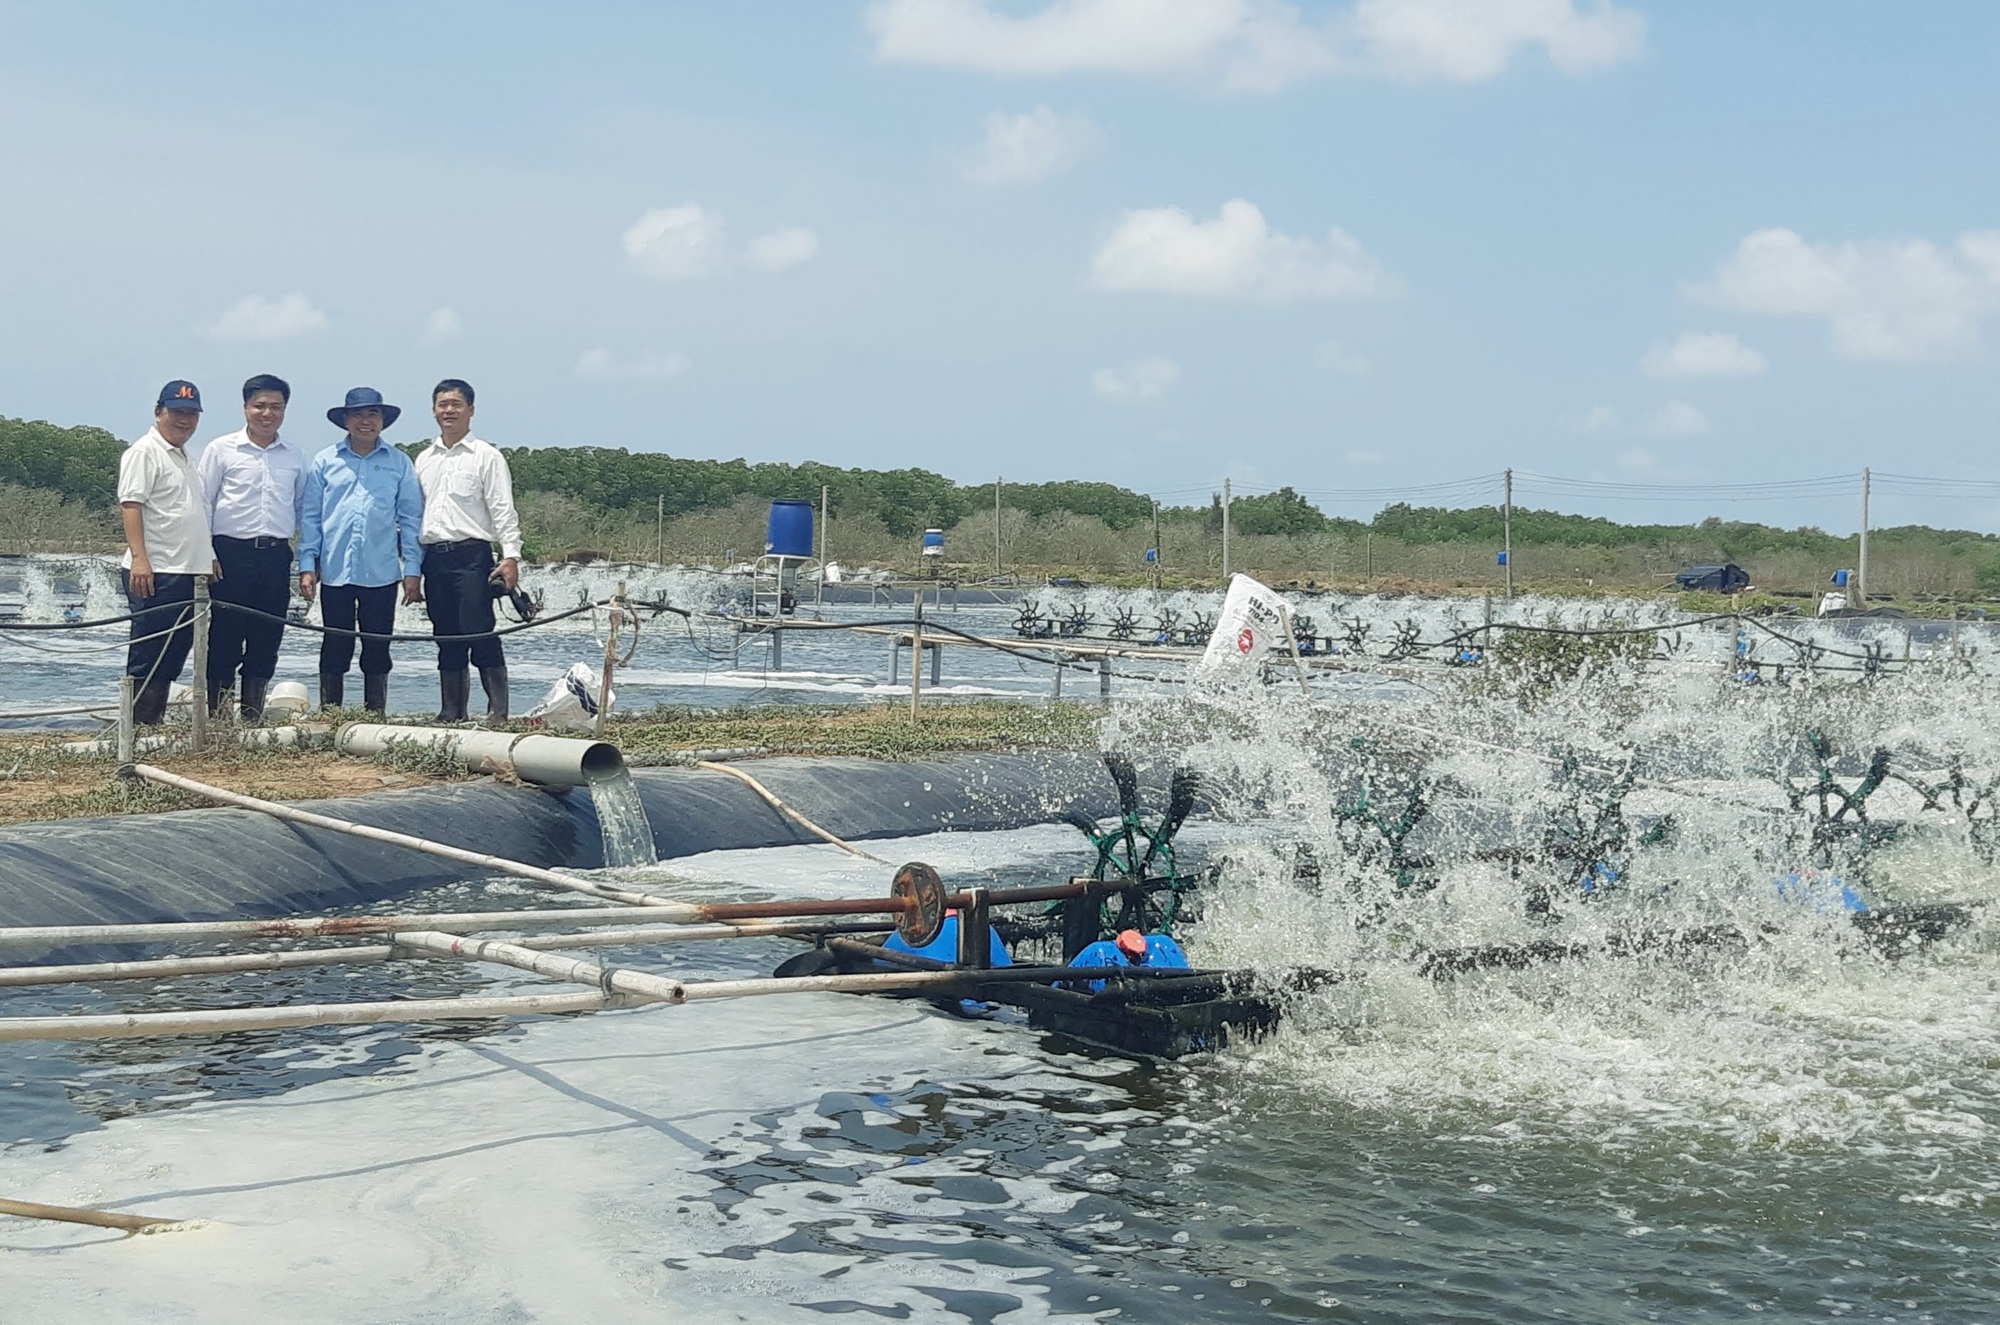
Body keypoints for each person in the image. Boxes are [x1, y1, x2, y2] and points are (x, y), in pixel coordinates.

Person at [296, 387, 424, 714]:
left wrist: (412, 570)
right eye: (358, 414)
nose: (365, 421)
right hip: (336, 570)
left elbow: (411, 519)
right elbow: (311, 516)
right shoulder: (326, 461)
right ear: (345, 420)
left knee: (378, 647)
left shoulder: (399, 463)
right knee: (335, 645)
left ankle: (374, 715)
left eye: (373, 415)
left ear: (382, 421)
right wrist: (307, 564)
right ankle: (331, 714)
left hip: (381, 572)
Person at [197, 374, 306, 721]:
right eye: (259, 405)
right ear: (245, 408)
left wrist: (306, 560)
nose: (267, 413)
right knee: (225, 636)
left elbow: (303, 509)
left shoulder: (295, 455)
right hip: (229, 554)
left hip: (275, 555)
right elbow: (203, 503)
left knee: (267, 635)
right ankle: (217, 717)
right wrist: (207, 553)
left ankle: (252, 715)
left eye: (275, 406)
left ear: (285, 410)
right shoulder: (220, 449)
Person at [413, 378, 524, 721]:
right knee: (445, 636)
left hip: (473, 556)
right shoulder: (423, 460)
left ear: (471, 411)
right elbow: (415, 516)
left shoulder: (486, 457)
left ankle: (498, 712)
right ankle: (452, 711)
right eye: (442, 404)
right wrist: (413, 570)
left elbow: (503, 509)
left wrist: (510, 556)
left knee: (480, 631)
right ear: (434, 411)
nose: (449, 411)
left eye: (456, 404)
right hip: (434, 558)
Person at [119, 381, 219, 725]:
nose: (185, 420)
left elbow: (191, 512)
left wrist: (208, 555)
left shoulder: (187, 456)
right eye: (178, 412)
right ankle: (137, 727)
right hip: (156, 569)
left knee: (173, 654)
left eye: (192, 414)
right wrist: (139, 558)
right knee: (148, 652)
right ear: (159, 412)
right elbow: (131, 505)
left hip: (189, 570)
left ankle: (153, 721)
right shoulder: (145, 451)